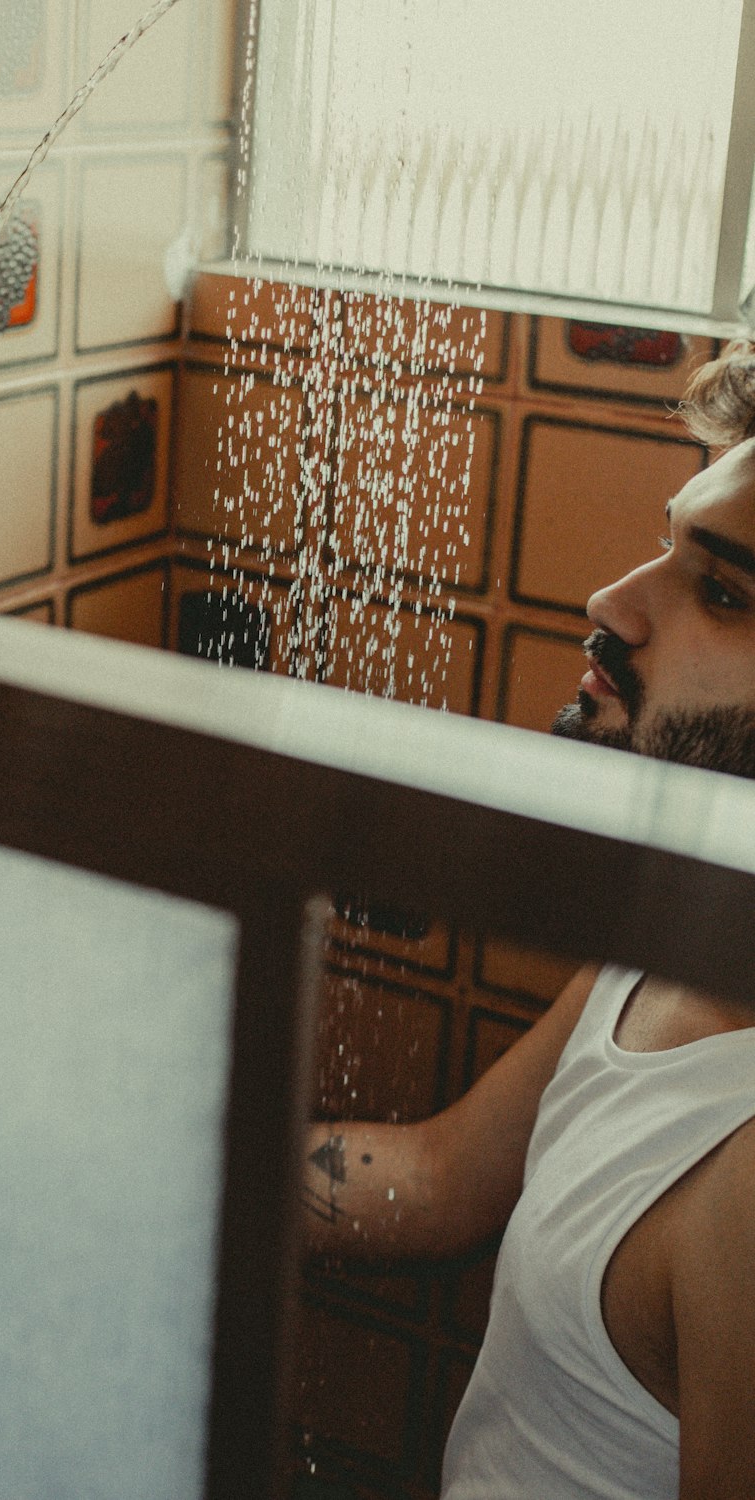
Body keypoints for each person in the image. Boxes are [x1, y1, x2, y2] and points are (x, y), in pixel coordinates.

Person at [302, 341, 755, 1500]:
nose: (614, 603)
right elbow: (444, 1177)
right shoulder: (684, 935)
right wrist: (145, 1160)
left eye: (721, 591)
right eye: (670, 543)